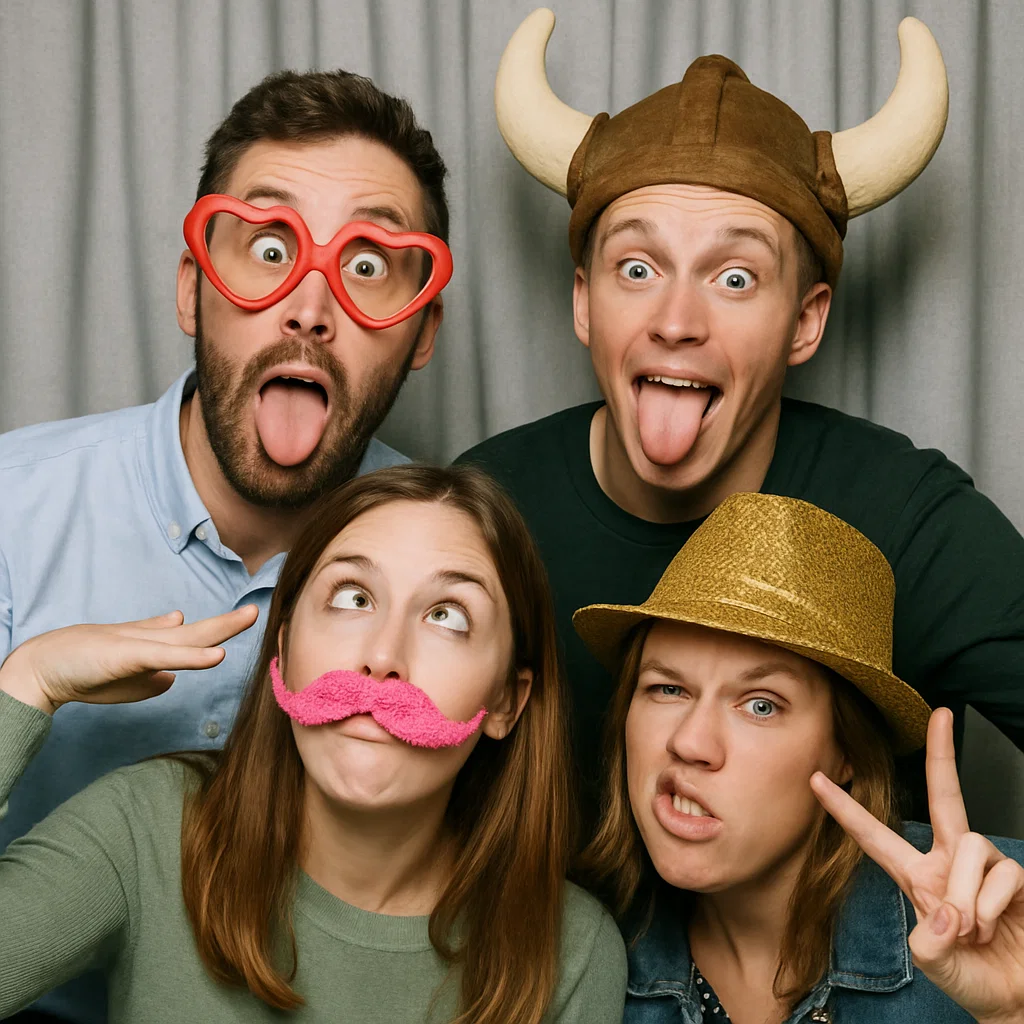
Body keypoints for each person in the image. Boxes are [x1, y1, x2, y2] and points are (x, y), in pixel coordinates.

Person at [457, 9, 1024, 825]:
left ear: (805, 321)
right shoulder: (481, 508)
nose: (677, 320)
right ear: (584, 302)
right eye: (638, 267)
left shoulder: (905, 518)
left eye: (735, 278)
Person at [0, 68, 453, 1023]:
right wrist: (25, 687)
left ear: (420, 334)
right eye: (269, 247)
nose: (309, 309)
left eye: (368, 265)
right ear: (192, 289)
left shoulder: (443, 572)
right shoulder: (14, 509)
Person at [0, 464, 627, 1024]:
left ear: (508, 704)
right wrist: (28, 684)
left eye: (446, 616)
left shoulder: (572, 951)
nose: (382, 658)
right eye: (354, 598)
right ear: (283, 650)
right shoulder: (148, 830)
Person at [574, 491, 1024, 1023]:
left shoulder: (1005, 914)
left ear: (846, 754)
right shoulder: (574, 960)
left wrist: (1011, 1012)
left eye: (761, 705)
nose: (690, 743)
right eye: (667, 689)